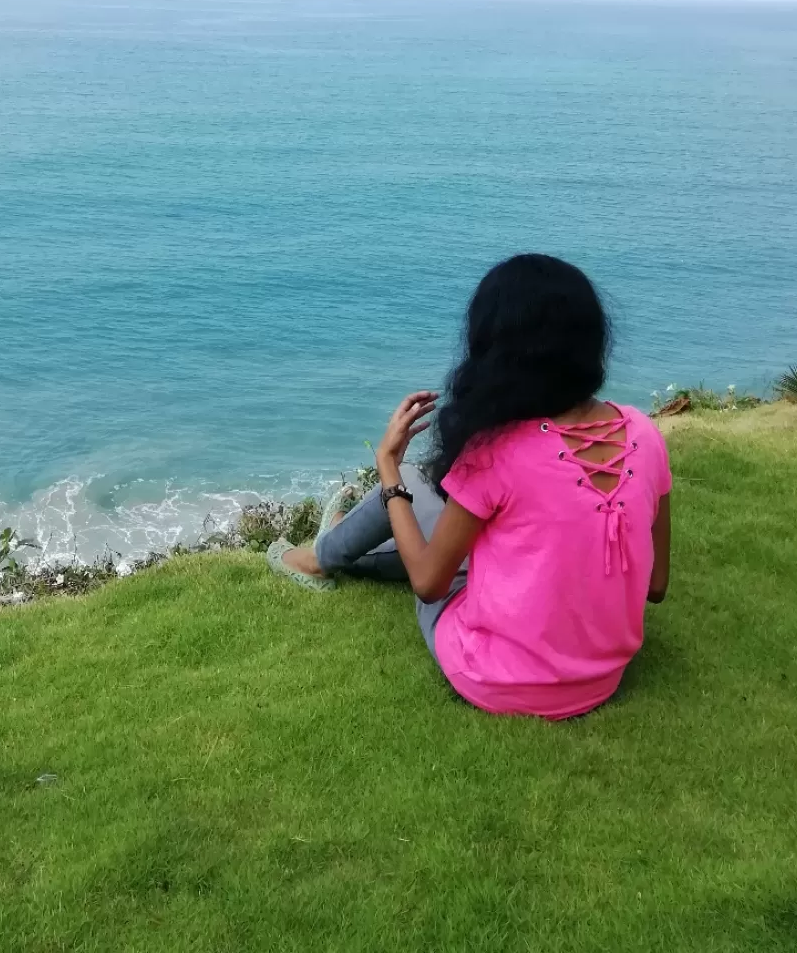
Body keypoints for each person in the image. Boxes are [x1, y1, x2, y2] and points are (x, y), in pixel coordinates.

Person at [267, 254, 672, 720]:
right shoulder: (646, 435)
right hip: (602, 679)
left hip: (494, 678)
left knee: (415, 486)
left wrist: (387, 466)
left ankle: (321, 558)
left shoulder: (498, 452)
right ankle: (337, 542)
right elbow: (656, 585)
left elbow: (428, 584)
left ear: (497, 348)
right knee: (459, 533)